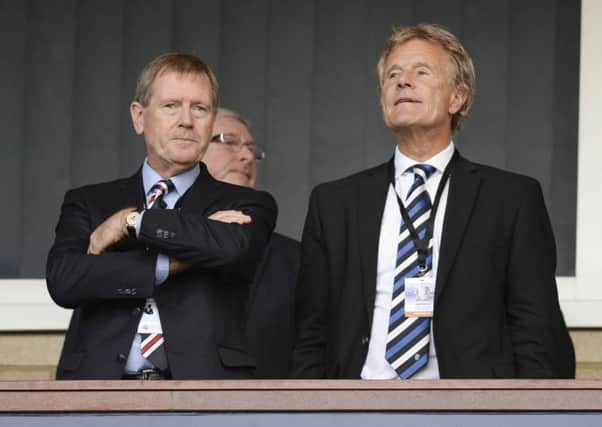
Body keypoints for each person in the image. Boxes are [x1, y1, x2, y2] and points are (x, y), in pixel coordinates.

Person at [292, 24, 575, 379]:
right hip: (358, 402)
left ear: (458, 98)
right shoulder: (334, 203)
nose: (402, 81)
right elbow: (310, 330)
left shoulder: (511, 199)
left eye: (421, 72)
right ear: (382, 100)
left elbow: (536, 328)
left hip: (469, 407)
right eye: (393, 74)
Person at [46, 53, 277, 380]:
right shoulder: (89, 202)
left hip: (204, 395)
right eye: (171, 106)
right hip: (98, 392)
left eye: (200, 108)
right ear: (139, 117)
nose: (186, 120)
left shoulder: (249, 202)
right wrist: (172, 262)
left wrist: (133, 223)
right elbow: (65, 280)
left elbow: (233, 249)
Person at [203, 107, 300, 378]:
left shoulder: (296, 260)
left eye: (251, 149)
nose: (246, 156)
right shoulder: (155, 239)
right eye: (229, 142)